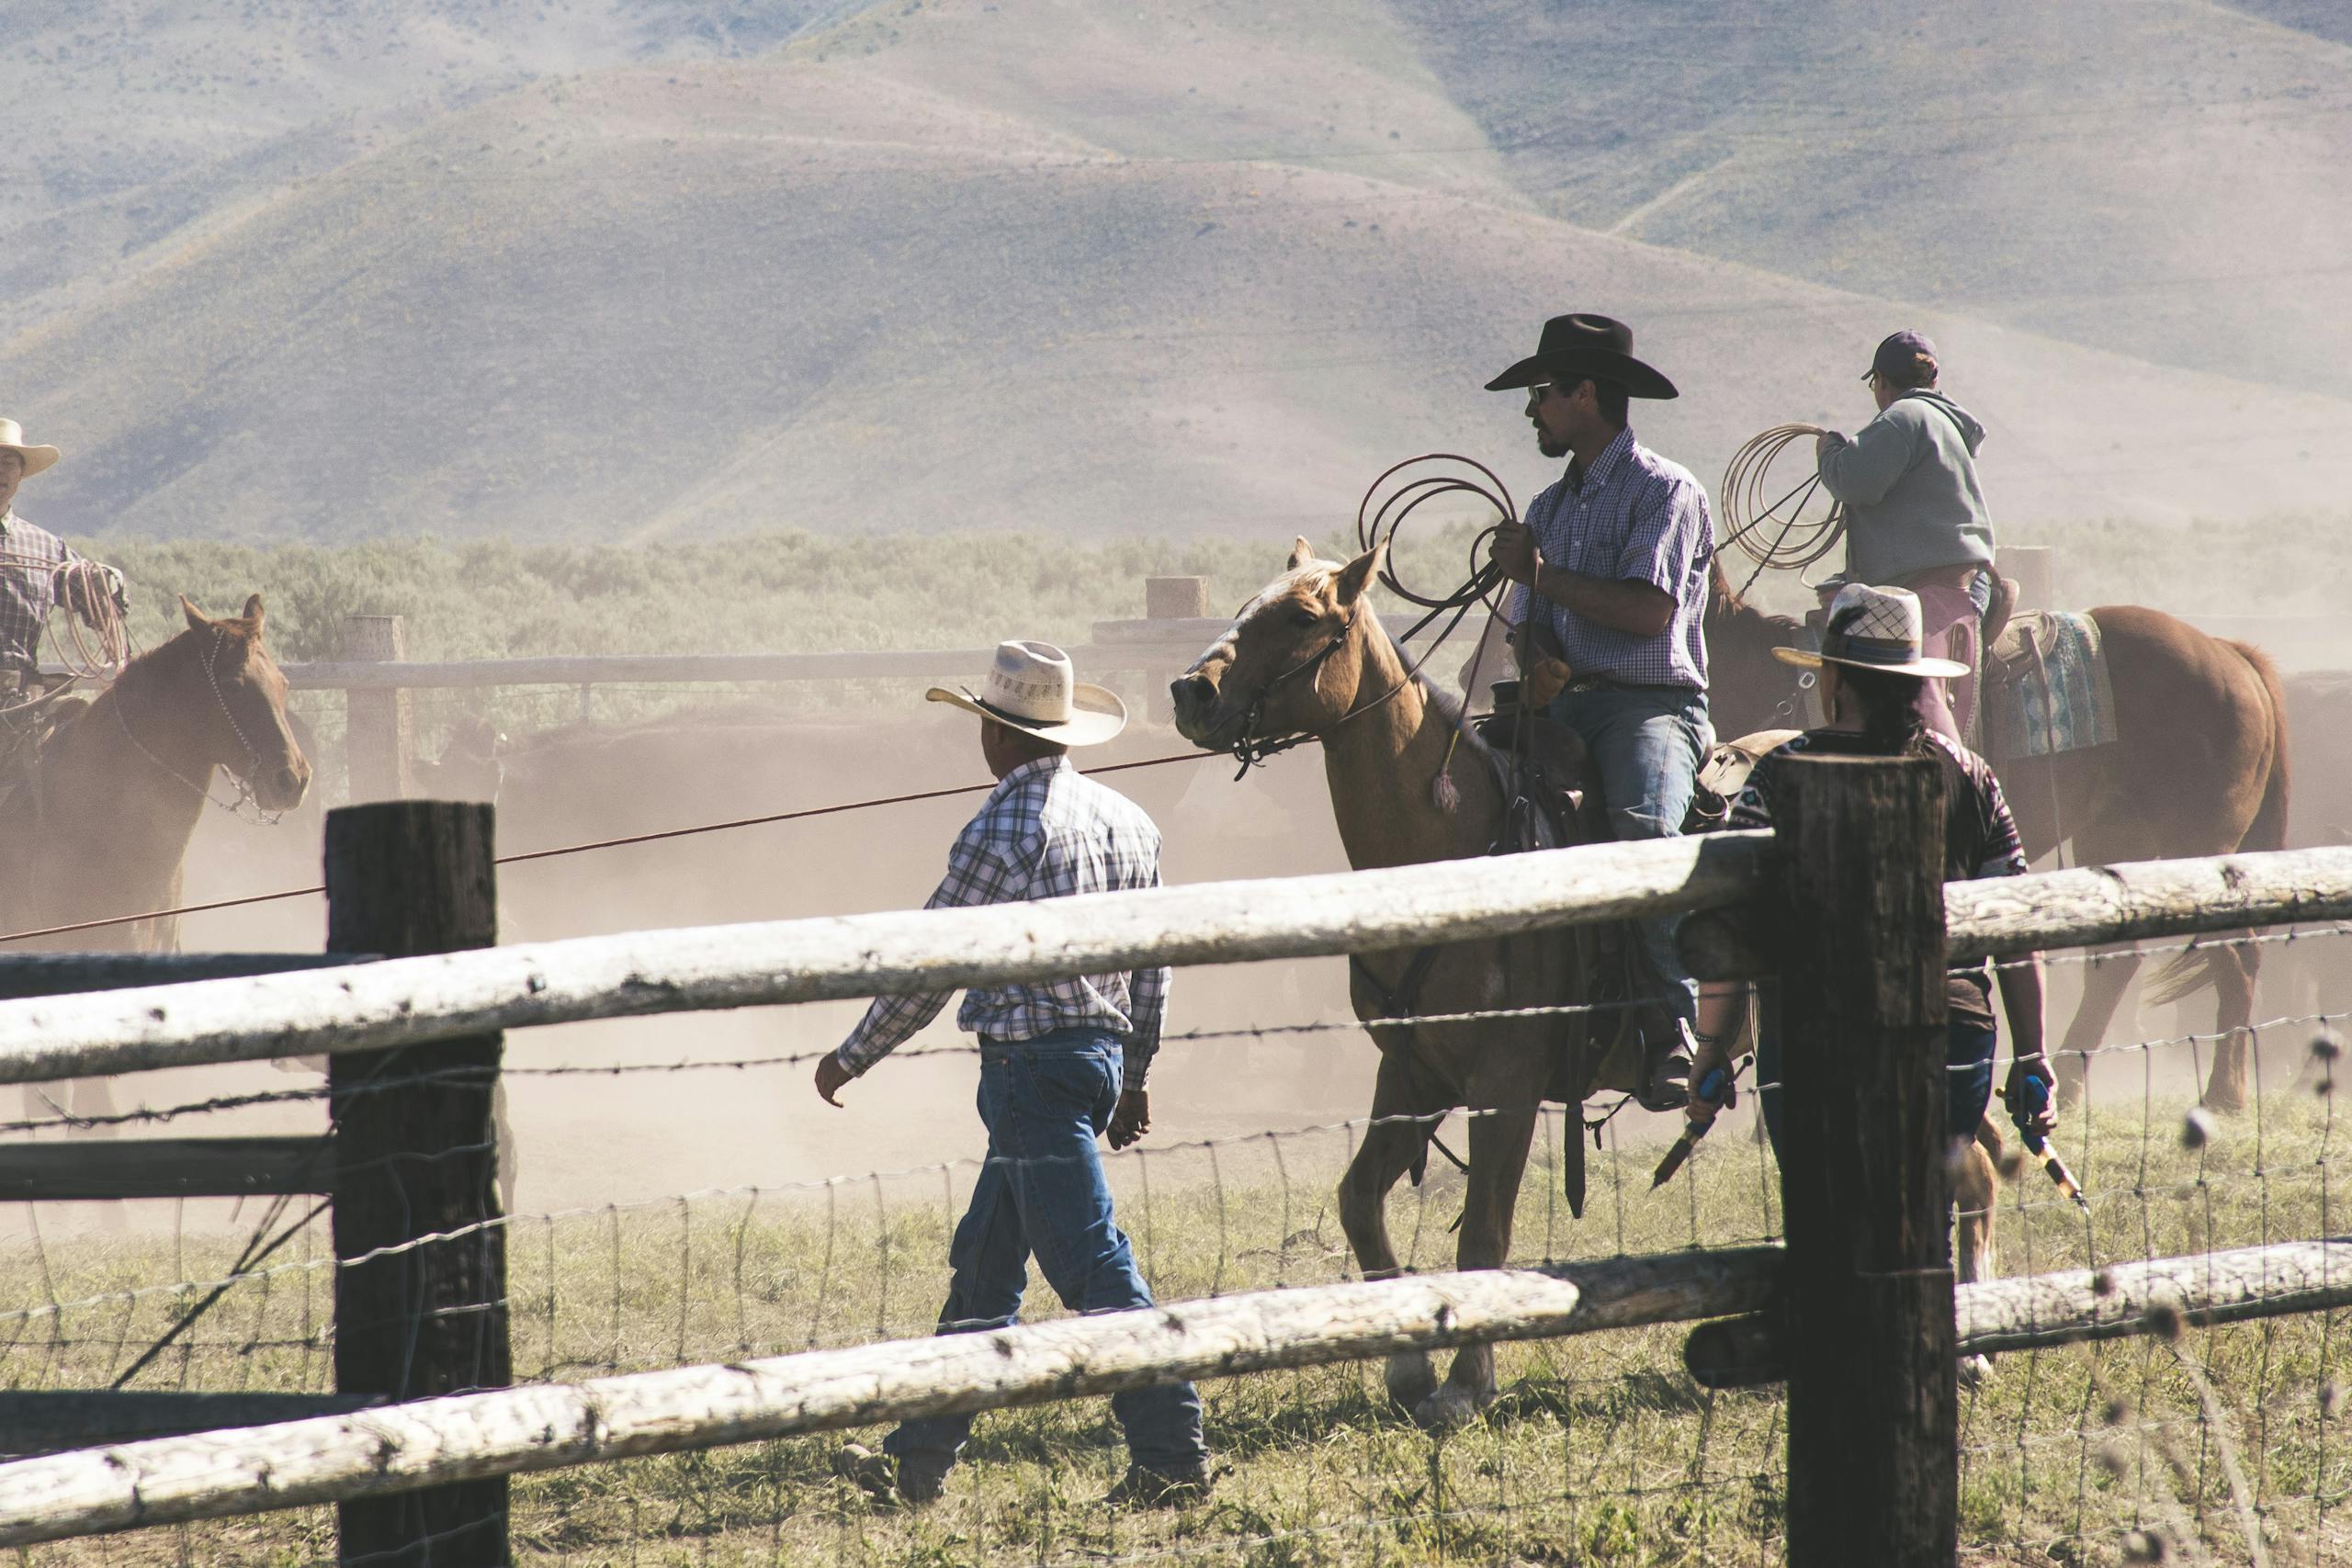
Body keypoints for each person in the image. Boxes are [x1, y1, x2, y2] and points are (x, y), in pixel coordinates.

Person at [818, 640, 1211, 1509]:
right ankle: (916, 1456)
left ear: (996, 734)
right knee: (988, 1269)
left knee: (1092, 1263)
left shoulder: (1001, 827)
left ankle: (1172, 1450)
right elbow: (1155, 965)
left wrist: (856, 1051)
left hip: (1028, 1074)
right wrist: (1136, 1073)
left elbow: (933, 961)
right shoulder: (1129, 821)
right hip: (1094, 1064)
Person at [1684, 583, 2054, 1178]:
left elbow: (1732, 924)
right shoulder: (1971, 776)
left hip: (1808, 1050)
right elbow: (2017, 926)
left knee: (1821, 1216)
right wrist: (2033, 1055)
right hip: (1950, 1045)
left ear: (1832, 680)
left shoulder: (1777, 775)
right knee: (1927, 1210)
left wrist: (1709, 1046)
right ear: (1916, 681)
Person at [1482, 312, 1715, 1107]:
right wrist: (1536, 653)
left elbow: (1650, 613)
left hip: (1650, 706)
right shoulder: (1549, 506)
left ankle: (1668, 1024)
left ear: (1586, 394)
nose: (1531, 410)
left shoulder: (1666, 490)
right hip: (1564, 707)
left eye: (1542, 393)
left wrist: (1541, 577)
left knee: (1645, 832)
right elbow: (1529, 621)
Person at [1812, 332, 1996, 743]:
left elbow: (1855, 482)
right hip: (1963, 579)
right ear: (1934, 379)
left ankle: (1945, 772)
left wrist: (1829, 451)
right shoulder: (1944, 421)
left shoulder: (1903, 416)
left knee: (1914, 700)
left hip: (1929, 590)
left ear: (1880, 381)